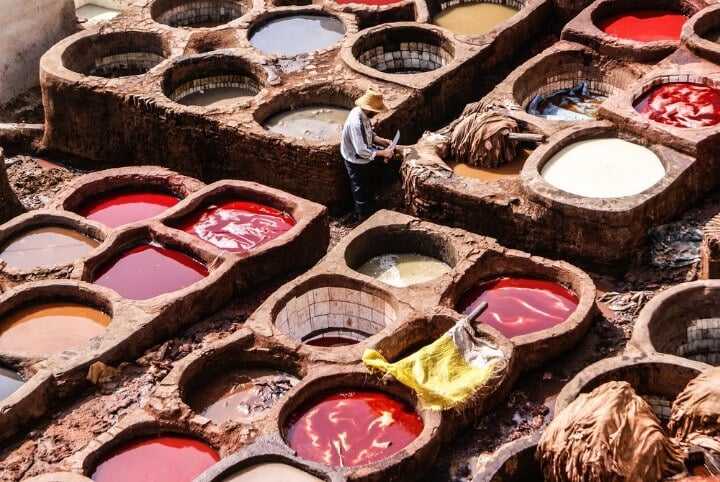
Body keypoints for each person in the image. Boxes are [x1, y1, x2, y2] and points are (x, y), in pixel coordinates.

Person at [340, 88, 395, 221]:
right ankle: (363, 216)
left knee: (367, 182)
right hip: (355, 158)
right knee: (360, 187)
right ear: (369, 108)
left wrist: (381, 141)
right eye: (376, 111)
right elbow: (361, 150)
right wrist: (383, 152)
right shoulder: (356, 123)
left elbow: (368, 132)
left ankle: (370, 204)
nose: (376, 113)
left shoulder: (362, 113)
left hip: (364, 152)